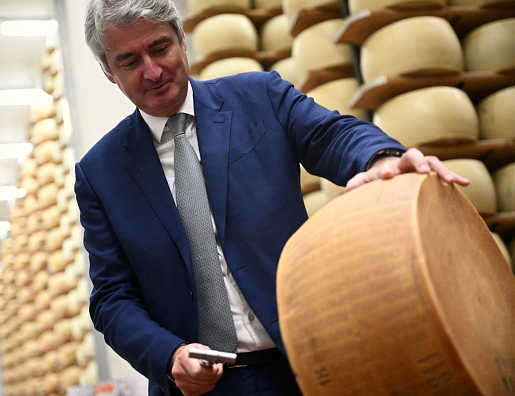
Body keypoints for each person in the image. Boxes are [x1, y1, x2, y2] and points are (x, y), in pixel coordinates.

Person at [75, 1, 470, 395]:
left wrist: (382, 156)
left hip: (309, 367)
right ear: (110, 73)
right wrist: (167, 355)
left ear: (181, 40)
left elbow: (331, 134)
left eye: (160, 48)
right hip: (198, 388)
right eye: (129, 61)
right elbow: (112, 297)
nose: (152, 71)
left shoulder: (259, 97)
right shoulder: (100, 174)